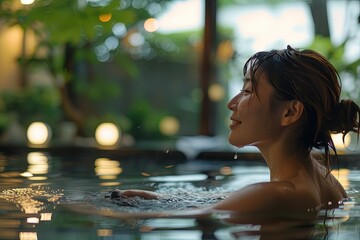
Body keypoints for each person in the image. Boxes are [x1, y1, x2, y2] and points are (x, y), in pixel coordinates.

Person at [111, 45, 360, 222]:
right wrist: (161, 198)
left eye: (248, 91)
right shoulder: (317, 172)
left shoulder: (278, 192)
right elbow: (232, 200)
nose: (232, 103)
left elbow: (193, 218)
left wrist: (81, 207)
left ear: (290, 113)